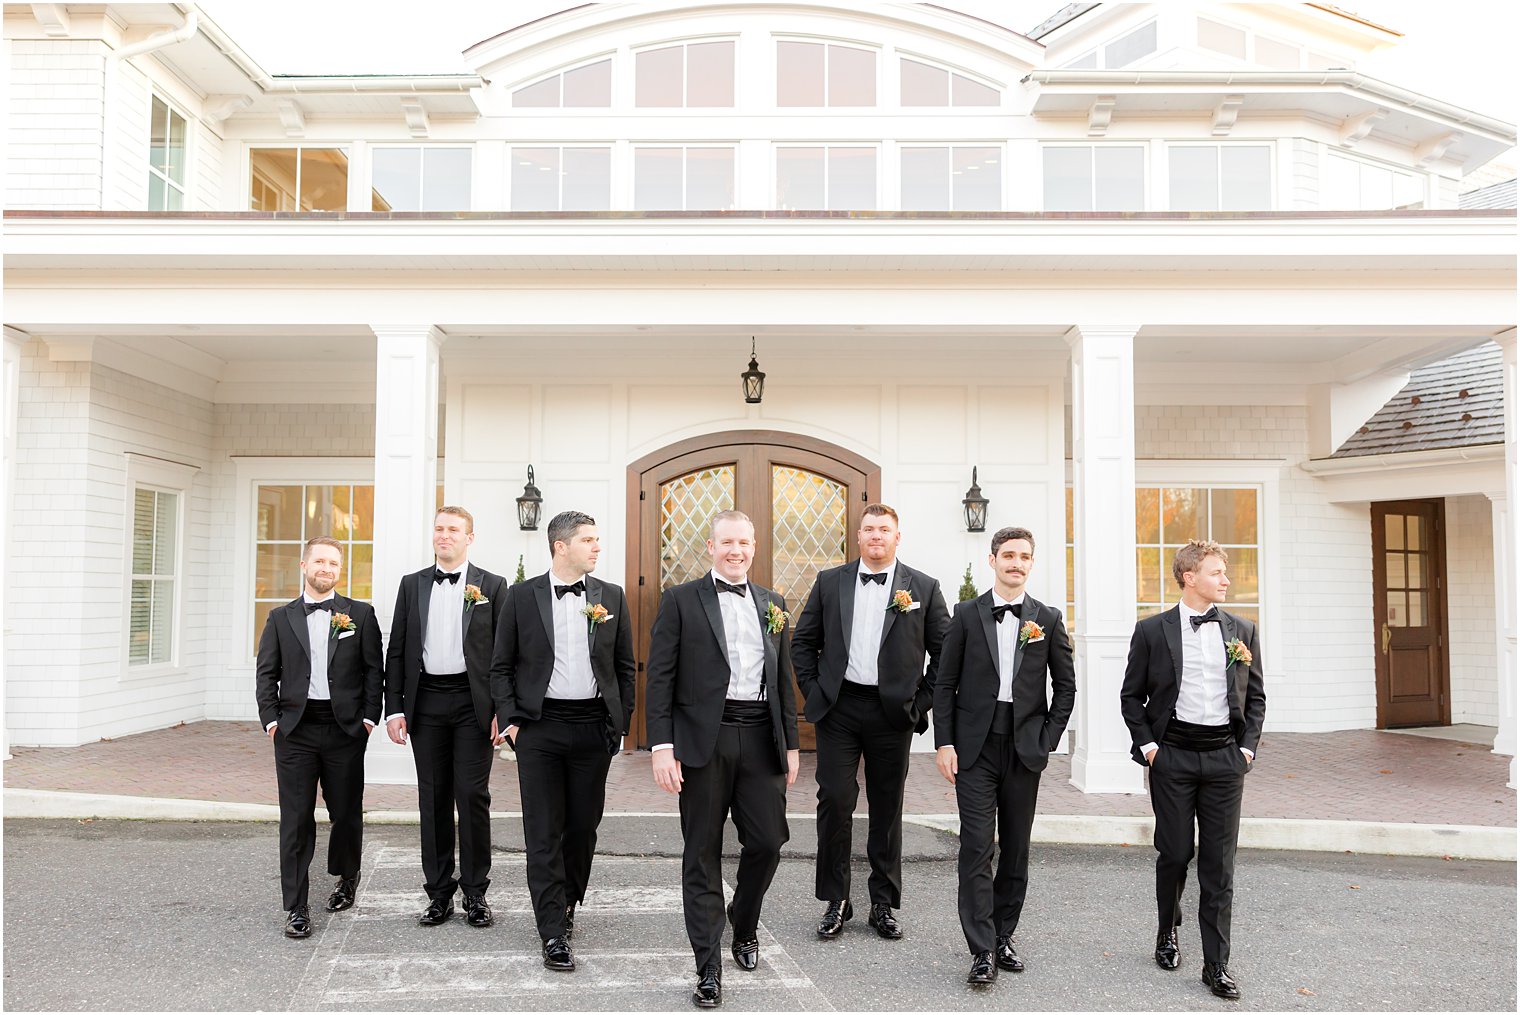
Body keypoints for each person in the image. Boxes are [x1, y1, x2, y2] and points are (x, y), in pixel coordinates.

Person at [645, 510, 800, 1008]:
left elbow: (782, 678)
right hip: (701, 742)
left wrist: (791, 744)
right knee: (702, 851)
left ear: (754, 547)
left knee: (769, 842)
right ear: (710, 547)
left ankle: (744, 922)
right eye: (727, 542)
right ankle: (707, 965)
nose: (736, 551)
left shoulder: (773, 603)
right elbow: (660, 678)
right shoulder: (680, 600)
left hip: (760, 736)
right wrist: (662, 746)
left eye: (744, 543)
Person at [790, 504, 948, 941]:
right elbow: (803, 642)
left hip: (892, 713)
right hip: (839, 708)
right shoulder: (830, 581)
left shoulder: (925, 587)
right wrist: (817, 689)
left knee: (886, 807)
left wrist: (920, 703)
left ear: (898, 537)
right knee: (835, 801)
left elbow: (946, 653)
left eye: (885, 529)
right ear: (857, 537)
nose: (876, 536)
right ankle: (835, 899)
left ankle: (883, 903)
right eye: (869, 529)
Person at [1120, 539, 1266, 1001]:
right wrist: (1149, 748)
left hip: (1225, 759)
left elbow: (1255, 697)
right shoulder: (1151, 631)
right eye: (1217, 572)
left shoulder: (1242, 630)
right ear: (1189, 577)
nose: (1226, 580)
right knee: (1175, 853)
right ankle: (1168, 930)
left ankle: (1216, 964)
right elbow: (1131, 696)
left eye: (1225, 572)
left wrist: (1246, 750)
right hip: (1173, 757)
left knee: (1219, 866)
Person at [490, 510, 635, 972]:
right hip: (540, 727)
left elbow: (626, 666)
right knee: (542, 831)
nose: (596, 547)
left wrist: (620, 723)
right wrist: (512, 721)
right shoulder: (520, 597)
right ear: (560, 546)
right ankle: (552, 929)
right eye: (588, 540)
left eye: (597, 539)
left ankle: (569, 900)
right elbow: (501, 666)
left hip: (594, 727)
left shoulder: (610, 595)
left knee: (582, 827)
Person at [934, 526, 1075, 985]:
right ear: (993, 560)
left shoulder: (1047, 620)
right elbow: (944, 683)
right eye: (1008, 555)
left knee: (1015, 849)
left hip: (1024, 749)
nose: (1016, 562)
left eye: (1024, 556)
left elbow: (1066, 688)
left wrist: (1047, 738)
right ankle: (980, 950)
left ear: (1032, 564)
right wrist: (945, 742)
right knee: (976, 847)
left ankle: (1002, 935)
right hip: (974, 749)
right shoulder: (966, 614)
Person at [383, 506, 507, 928]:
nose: (444, 536)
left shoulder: (493, 585)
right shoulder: (412, 584)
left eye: (453, 530)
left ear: (469, 538)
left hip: (475, 704)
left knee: (473, 797)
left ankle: (475, 893)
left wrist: (501, 711)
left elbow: (507, 654)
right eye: (438, 529)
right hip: (427, 702)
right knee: (432, 797)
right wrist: (394, 707)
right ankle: (438, 894)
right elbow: (397, 648)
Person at [255, 536, 383, 938]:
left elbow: (372, 672)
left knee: (345, 813)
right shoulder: (280, 618)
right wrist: (272, 721)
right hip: (295, 730)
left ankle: (347, 877)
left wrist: (368, 720)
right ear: (304, 565)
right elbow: (266, 674)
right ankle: (296, 907)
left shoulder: (359, 614)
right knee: (295, 820)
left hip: (345, 729)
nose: (326, 569)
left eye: (333, 564)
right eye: (320, 562)